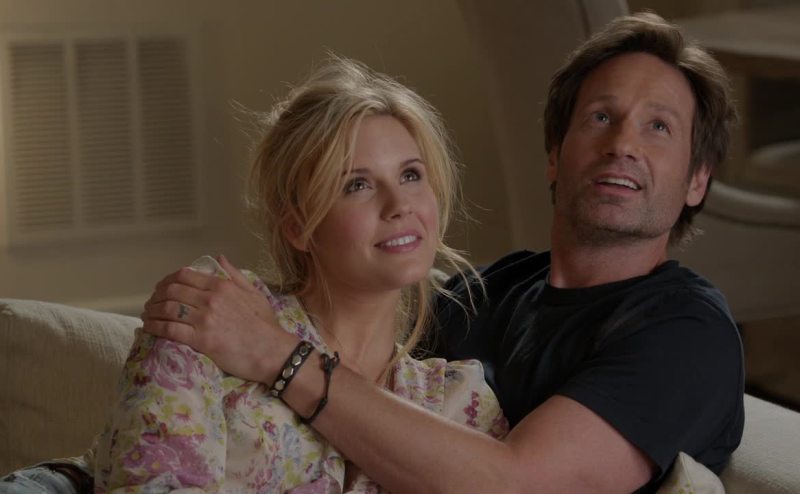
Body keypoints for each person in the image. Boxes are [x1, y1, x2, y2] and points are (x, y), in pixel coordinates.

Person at [141, 12, 745, 493]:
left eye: (659, 127)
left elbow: (518, 486)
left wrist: (279, 355)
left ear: (698, 180)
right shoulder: (475, 297)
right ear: (554, 156)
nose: (622, 144)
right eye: (601, 116)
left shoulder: (686, 332)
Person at [0, 57, 507, 493]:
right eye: (356, 184)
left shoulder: (458, 401)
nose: (399, 205)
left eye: (411, 174)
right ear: (298, 226)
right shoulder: (212, 311)